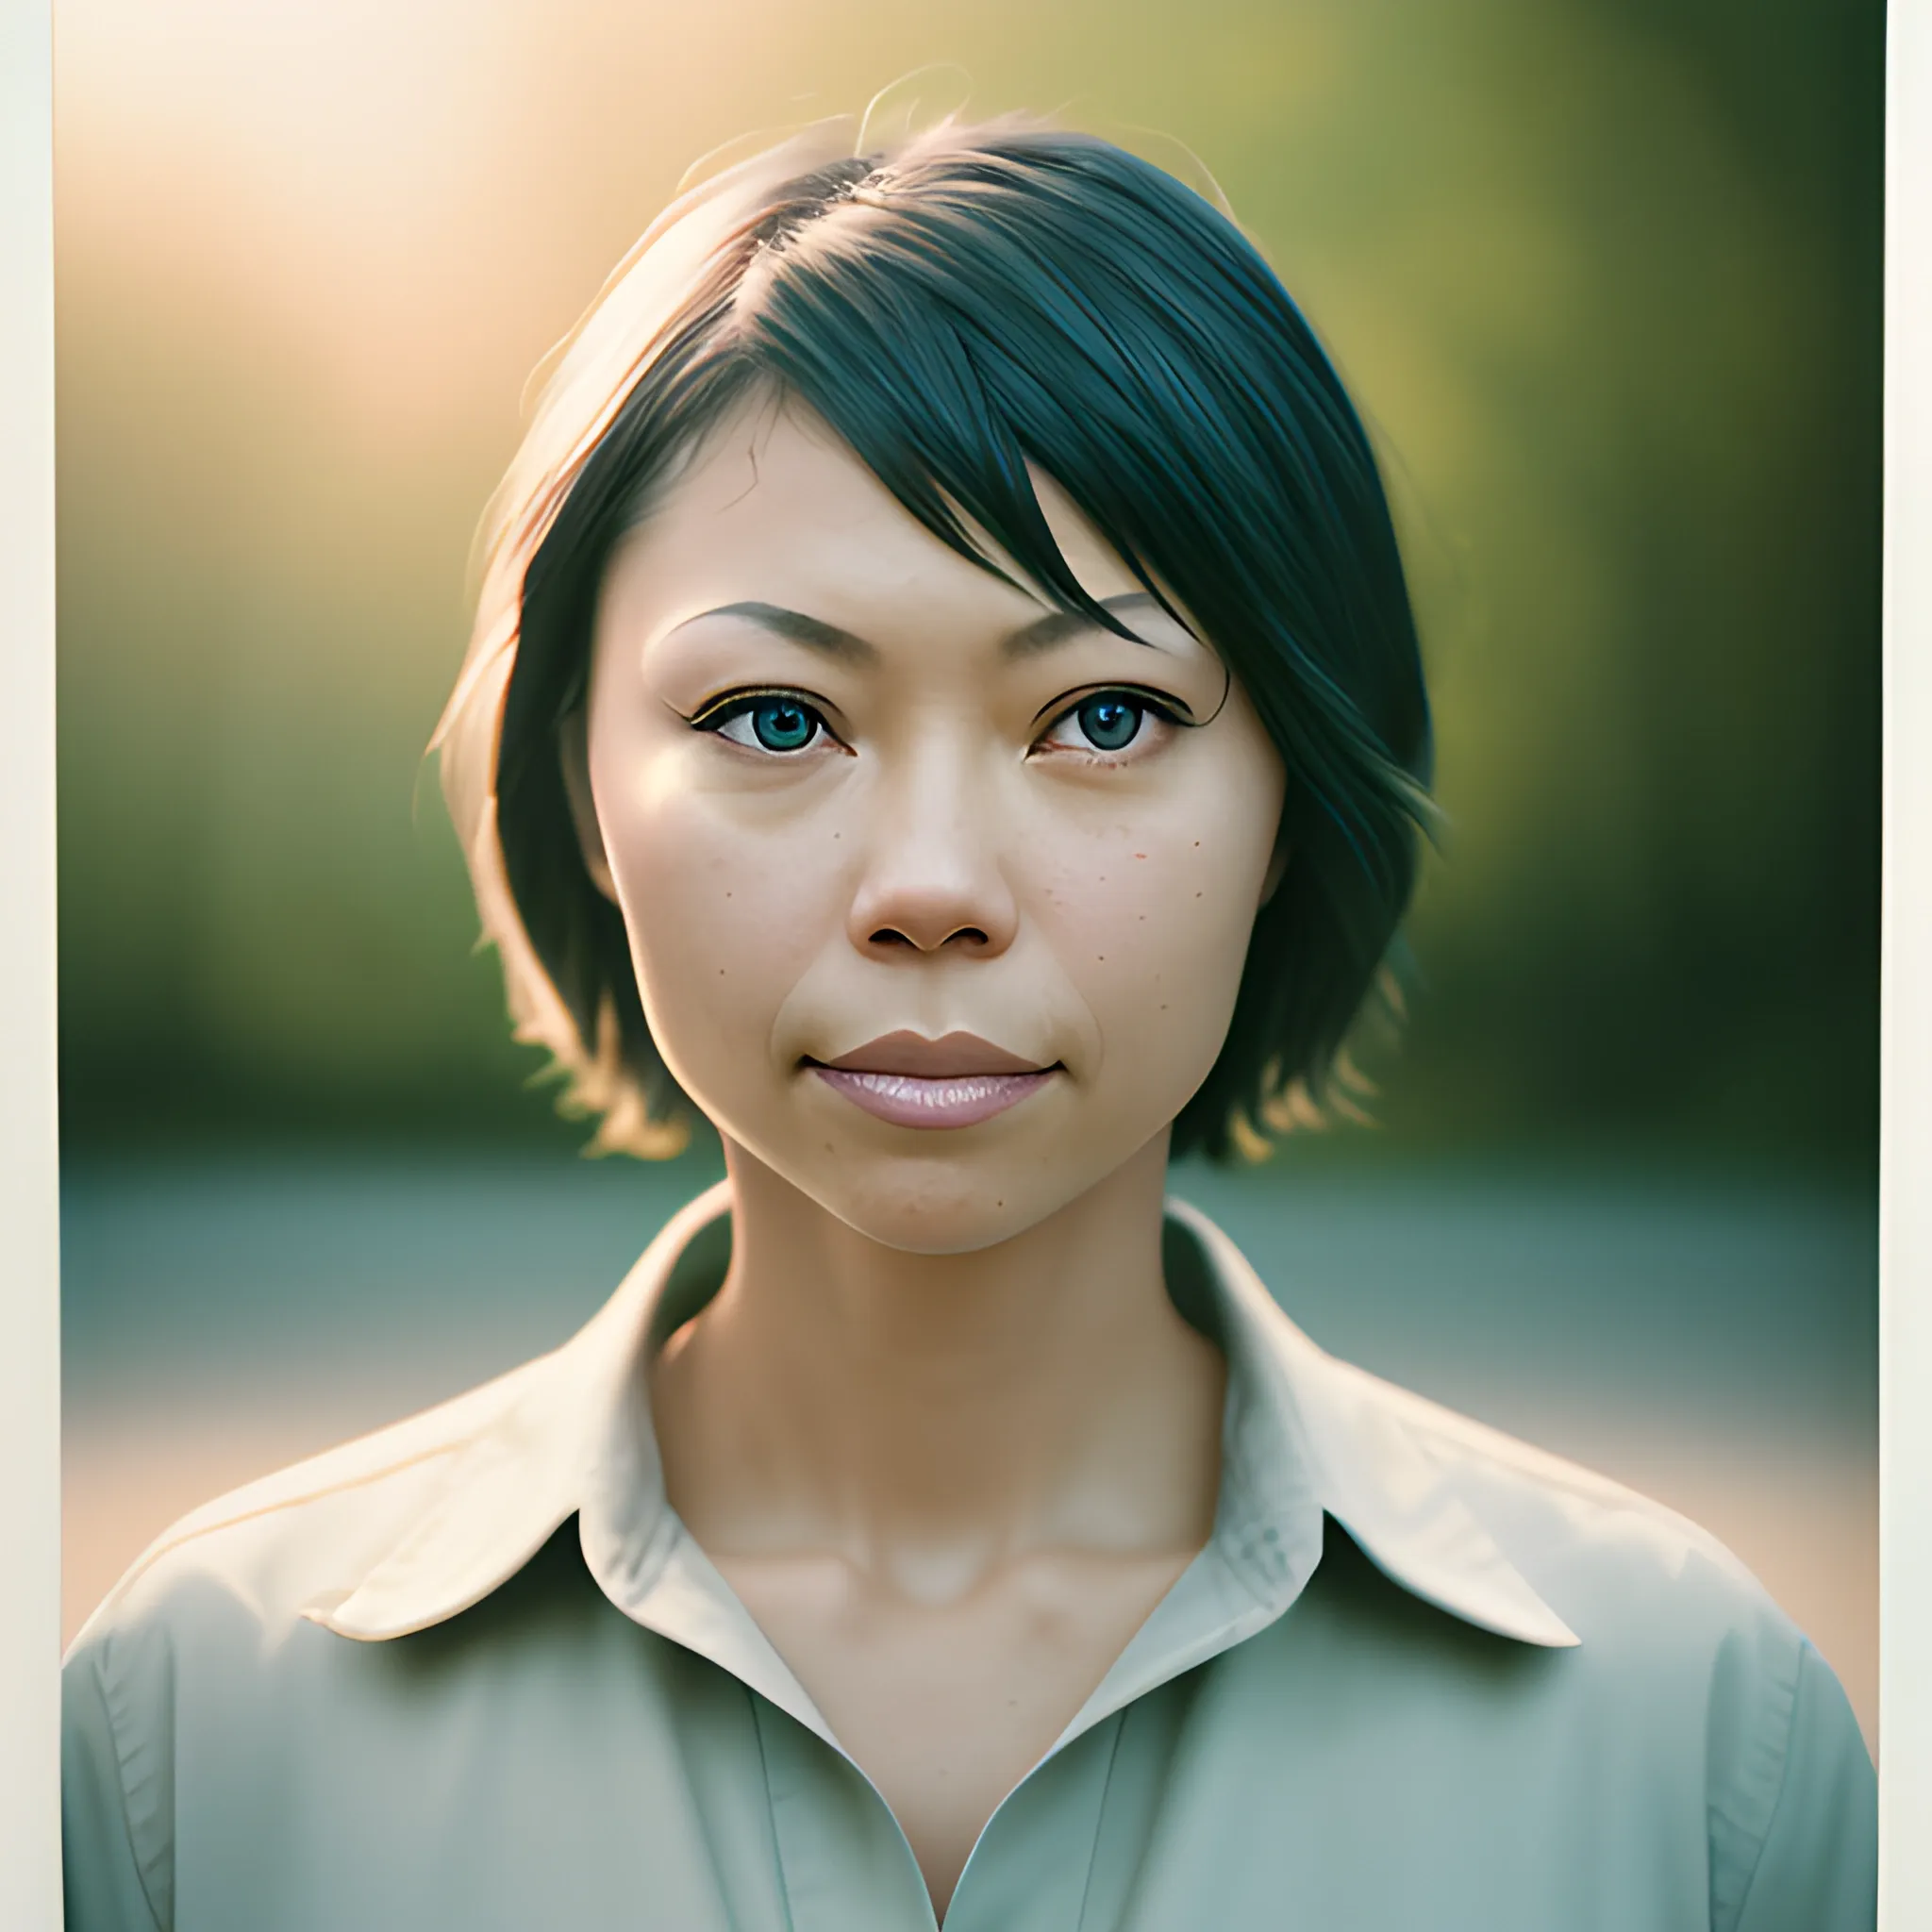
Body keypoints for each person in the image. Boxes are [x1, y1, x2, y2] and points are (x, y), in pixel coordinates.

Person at [61, 115, 1875, 1930]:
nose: (931, 886)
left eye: (1101, 717)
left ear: (1292, 803)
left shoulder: (1698, 1746)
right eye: (777, 718)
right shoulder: (195, 1738)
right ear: (578, 783)